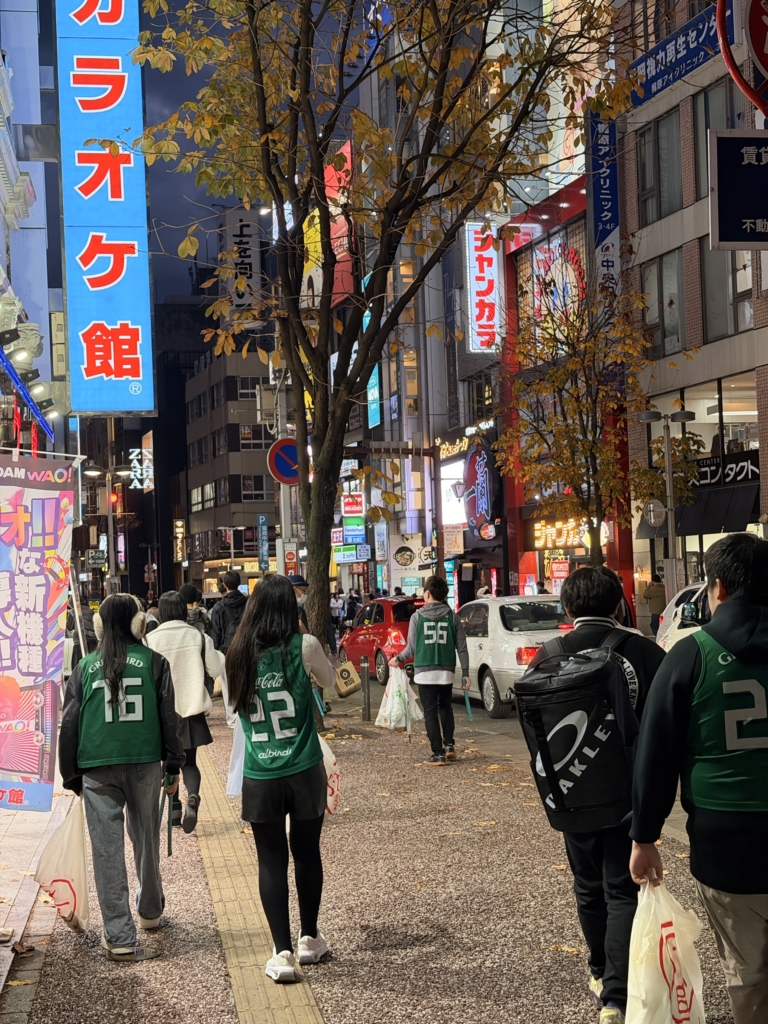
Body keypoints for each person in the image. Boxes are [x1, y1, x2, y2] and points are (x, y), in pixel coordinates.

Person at [630, 533, 768, 1024]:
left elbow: (656, 752)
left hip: (727, 840)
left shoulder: (691, 654)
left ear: (718, 588)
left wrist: (644, 836)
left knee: (748, 970)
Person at [528, 566, 666, 1024]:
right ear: (619, 605)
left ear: (567, 607)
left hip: (571, 790)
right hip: (627, 791)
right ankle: (616, 998)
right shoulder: (643, 652)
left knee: (587, 885)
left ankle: (599, 971)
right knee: (622, 888)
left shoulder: (548, 655)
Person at [59, 594, 184, 962]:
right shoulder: (155, 662)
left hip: (96, 765)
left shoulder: (85, 667)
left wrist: (71, 775)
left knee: (107, 850)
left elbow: (70, 722)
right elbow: (169, 717)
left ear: (99, 627)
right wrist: (174, 764)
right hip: (145, 762)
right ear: (139, 623)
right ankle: (150, 911)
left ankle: (119, 936)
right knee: (146, 837)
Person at [225, 574, 335, 982]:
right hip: (305, 768)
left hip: (260, 773)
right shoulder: (304, 646)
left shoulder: (236, 654)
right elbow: (329, 681)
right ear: (290, 609)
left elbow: (232, 708)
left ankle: (282, 952)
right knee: (307, 853)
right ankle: (309, 938)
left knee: (270, 860)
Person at [147, 591, 224, 832]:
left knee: (167, 761)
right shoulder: (199, 637)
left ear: (161, 611)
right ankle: (193, 797)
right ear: (183, 610)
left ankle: (175, 811)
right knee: (189, 762)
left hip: (161, 713)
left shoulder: (150, 640)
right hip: (191, 711)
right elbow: (215, 669)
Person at [389, 574, 470, 766]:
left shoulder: (417, 617)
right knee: (446, 707)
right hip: (446, 671)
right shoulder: (453, 617)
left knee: (430, 712)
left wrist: (397, 659)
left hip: (424, 671)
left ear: (427, 594)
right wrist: (465, 673)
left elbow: (411, 649)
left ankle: (437, 753)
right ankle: (449, 746)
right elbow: (462, 648)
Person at [211, 570, 248, 727]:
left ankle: (232, 719)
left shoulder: (219, 607)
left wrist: (216, 653)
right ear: (239, 583)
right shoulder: (249, 603)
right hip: (246, 649)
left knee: (228, 686)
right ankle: (248, 713)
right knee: (247, 682)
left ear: (224, 585)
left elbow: (216, 633)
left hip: (227, 651)